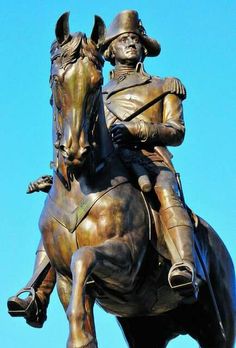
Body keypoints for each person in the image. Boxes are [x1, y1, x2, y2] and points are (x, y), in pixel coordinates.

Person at [8, 10, 198, 327]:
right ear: (109, 49)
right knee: (58, 206)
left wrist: (140, 131)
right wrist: (59, 172)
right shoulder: (95, 87)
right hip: (105, 163)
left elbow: (176, 131)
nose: (131, 45)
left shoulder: (164, 85)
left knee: (166, 189)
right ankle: (37, 291)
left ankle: (184, 264)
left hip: (148, 159)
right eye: (123, 40)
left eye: (136, 40)